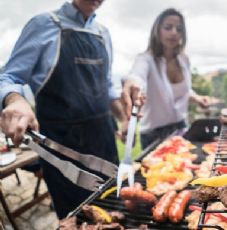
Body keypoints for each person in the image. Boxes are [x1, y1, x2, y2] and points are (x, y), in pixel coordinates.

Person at [0, 0, 141, 218]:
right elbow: (9, 77)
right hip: (62, 145)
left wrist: (123, 119)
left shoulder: (103, 33)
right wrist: (14, 99)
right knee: (77, 217)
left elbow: (106, 87)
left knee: (115, 208)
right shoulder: (43, 24)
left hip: (104, 140)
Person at [121, 8, 210, 148]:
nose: (174, 32)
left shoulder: (184, 60)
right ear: (157, 31)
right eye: (168, 27)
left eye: (179, 29)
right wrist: (132, 84)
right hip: (153, 135)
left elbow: (182, 91)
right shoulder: (145, 59)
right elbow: (136, 76)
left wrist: (197, 98)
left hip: (181, 128)